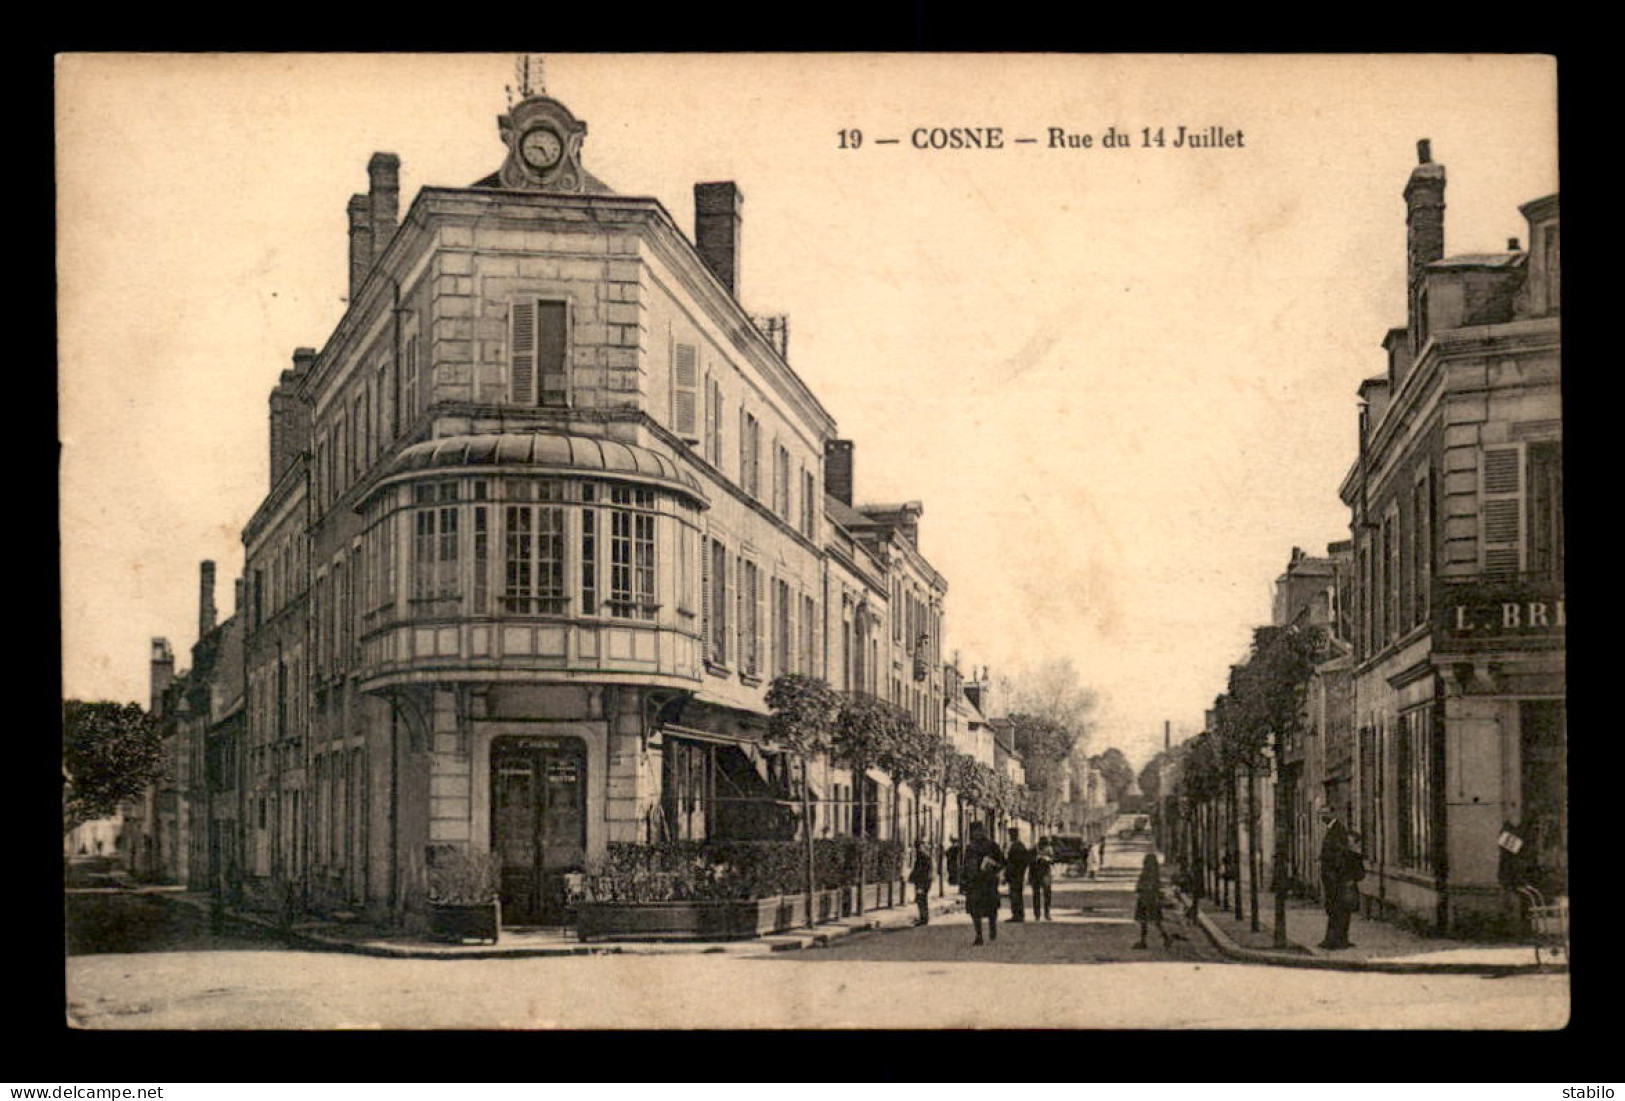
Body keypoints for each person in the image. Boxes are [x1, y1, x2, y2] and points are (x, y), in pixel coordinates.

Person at [1318, 805, 1359, 950]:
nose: (1322, 816)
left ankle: (1336, 940)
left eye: (1325, 813)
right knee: (1335, 909)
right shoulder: (1333, 829)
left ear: (1333, 813)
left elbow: (1339, 856)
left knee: (1337, 909)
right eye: (1321, 813)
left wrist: (1334, 876)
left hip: (1336, 879)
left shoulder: (1337, 831)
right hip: (1333, 878)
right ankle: (1335, 939)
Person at [963, 821, 1005, 946]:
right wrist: (965, 881)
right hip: (975, 882)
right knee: (975, 910)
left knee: (991, 909)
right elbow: (965, 865)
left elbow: (1002, 862)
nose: (976, 834)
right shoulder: (970, 847)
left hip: (988, 882)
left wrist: (993, 865)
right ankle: (979, 935)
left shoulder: (992, 846)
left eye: (978, 831)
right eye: (974, 831)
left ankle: (992, 928)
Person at [1132, 852, 1170, 949]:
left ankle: (1144, 941)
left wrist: (1140, 889)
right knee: (1156, 921)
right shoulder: (1155, 874)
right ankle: (1165, 937)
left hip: (1145, 899)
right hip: (1152, 900)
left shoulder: (1146, 874)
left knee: (1144, 921)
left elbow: (1141, 886)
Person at [1004, 828, 1031, 922]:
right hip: (1018, 875)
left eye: (1011, 835)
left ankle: (1017, 915)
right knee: (1017, 895)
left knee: (1015, 895)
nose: (1010, 836)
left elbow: (1012, 863)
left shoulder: (1016, 847)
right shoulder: (1020, 846)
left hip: (1015, 875)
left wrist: (1009, 873)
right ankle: (1019, 914)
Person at [1029, 837, 1055, 920]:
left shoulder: (1049, 849)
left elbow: (1053, 860)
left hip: (1046, 875)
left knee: (1047, 895)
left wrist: (1047, 859)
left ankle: (1047, 913)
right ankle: (1037, 914)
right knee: (1036, 895)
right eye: (1043, 844)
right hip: (1035, 875)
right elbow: (1029, 861)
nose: (1044, 846)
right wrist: (1036, 859)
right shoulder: (1033, 849)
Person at [909, 840, 934, 926]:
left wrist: (916, 879)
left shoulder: (923, 857)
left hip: (922, 882)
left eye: (918, 847)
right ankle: (924, 918)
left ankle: (924, 918)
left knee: (921, 899)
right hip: (924, 882)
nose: (917, 850)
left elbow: (921, 870)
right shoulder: (925, 856)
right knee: (921, 899)